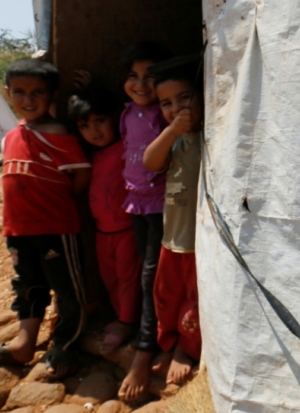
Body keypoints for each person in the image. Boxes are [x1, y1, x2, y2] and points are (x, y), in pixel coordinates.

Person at [0, 59, 91, 378]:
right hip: (18, 230)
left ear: (53, 94)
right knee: (28, 286)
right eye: (20, 92)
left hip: (55, 228)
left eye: (38, 92)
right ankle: (24, 344)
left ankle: (66, 347)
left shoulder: (59, 133)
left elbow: (80, 177)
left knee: (67, 290)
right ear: (7, 92)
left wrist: (58, 203)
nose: (29, 99)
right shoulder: (11, 136)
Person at [116, 41, 172, 401]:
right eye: (133, 77)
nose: (140, 84)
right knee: (143, 271)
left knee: (154, 274)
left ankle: (145, 349)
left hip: (163, 205)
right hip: (136, 203)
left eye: (149, 78)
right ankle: (144, 330)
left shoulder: (163, 114)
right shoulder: (126, 114)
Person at [143, 55, 203, 386]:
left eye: (184, 97)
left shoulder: (212, 135)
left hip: (198, 242)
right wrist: (170, 130)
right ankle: (168, 340)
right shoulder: (175, 139)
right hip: (173, 237)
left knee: (196, 300)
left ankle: (186, 348)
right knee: (165, 294)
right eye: (166, 103)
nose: (175, 107)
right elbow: (150, 162)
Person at [67, 87, 142, 354]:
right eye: (85, 125)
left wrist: (94, 82)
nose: (94, 131)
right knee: (109, 277)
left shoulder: (126, 147)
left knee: (128, 277)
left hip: (126, 230)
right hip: (101, 232)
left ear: (114, 118)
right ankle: (122, 316)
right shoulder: (88, 156)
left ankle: (127, 322)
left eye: (100, 121)